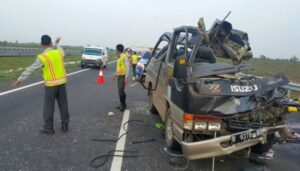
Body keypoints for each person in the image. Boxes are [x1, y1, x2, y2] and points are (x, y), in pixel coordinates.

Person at [12, 35, 70, 135]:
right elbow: (61, 49)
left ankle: (49, 128)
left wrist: (20, 79)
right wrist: (57, 44)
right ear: (51, 44)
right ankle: (65, 126)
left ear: (41, 44)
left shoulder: (43, 57)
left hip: (50, 86)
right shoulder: (59, 52)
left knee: (49, 107)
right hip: (62, 84)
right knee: (63, 105)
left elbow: (31, 68)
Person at [112, 44, 129, 112]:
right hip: (119, 75)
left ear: (118, 50)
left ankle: (123, 105)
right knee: (120, 90)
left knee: (121, 90)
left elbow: (127, 67)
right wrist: (115, 75)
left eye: (116, 49)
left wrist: (126, 77)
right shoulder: (119, 57)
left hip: (123, 76)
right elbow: (119, 68)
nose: (116, 51)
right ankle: (122, 104)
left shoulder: (124, 56)